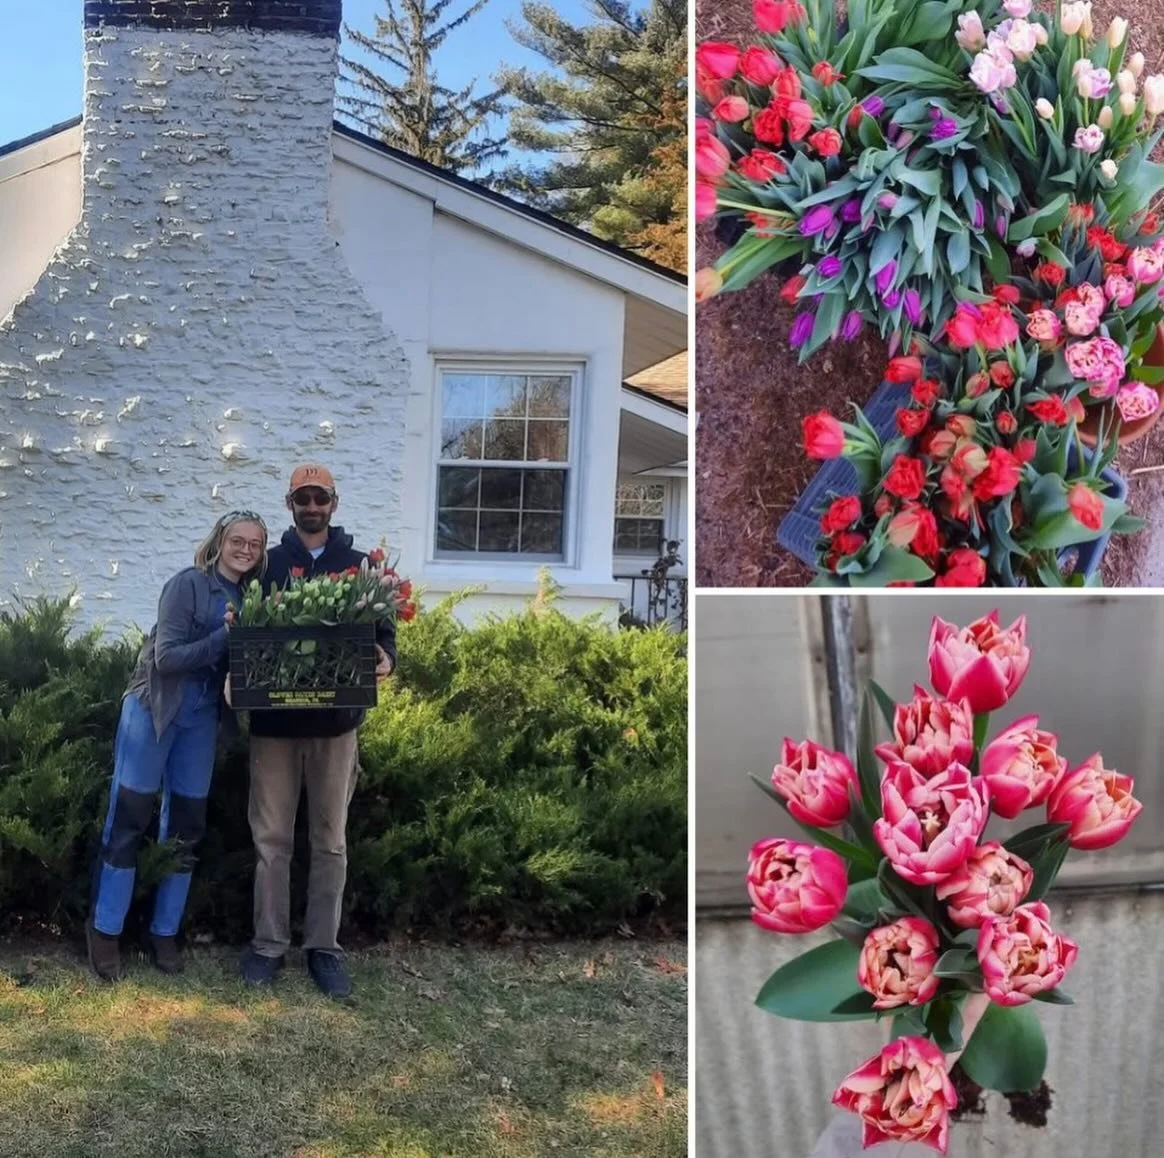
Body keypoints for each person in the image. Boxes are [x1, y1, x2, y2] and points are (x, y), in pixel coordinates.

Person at [87, 510, 268, 981]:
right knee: (128, 818)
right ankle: (105, 929)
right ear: (219, 542)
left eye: (255, 543)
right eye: (237, 540)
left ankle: (162, 931)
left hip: (202, 720)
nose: (245, 549)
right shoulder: (187, 585)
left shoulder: (253, 598)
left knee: (186, 825)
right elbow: (166, 659)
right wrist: (225, 638)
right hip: (154, 713)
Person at [239, 465, 395, 998]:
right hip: (274, 727)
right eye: (302, 497)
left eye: (320, 497)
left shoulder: (359, 566)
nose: (312, 505)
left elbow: (385, 635)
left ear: (334, 501)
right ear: (290, 503)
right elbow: (242, 629)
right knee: (271, 840)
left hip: (336, 727)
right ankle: (267, 945)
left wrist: (385, 659)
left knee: (330, 841)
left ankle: (323, 948)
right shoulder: (267, 564)